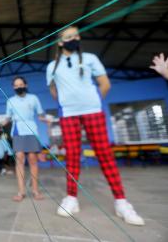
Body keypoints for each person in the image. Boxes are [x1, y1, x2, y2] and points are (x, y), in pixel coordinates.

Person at [46, 26, 144, 225]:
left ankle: (121, 202)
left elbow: (105, 83)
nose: (75, 38)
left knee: (104, 154)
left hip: (93, 112)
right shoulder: (51, 66)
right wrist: (66, 103)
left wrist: (94, 102)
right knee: (72, 156)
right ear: (60, 42)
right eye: (69, 36)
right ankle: (71, 198)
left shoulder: (90, 58)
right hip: (69, 115)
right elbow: (54, 91)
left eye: (77, 35)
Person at [0, 76, 47, 202]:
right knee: (19, 158)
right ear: (13, 87)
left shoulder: (34, 98)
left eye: (21, 84)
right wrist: (0, 123)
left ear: (25, 85)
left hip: (31, 129)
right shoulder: (10, 101)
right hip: (18, 130)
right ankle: (21, 192)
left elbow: (40, 115)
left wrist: (46, 120)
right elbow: (7, 118)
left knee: (32, 159)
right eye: (16, 85)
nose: (18, 87)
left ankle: (35, 191)